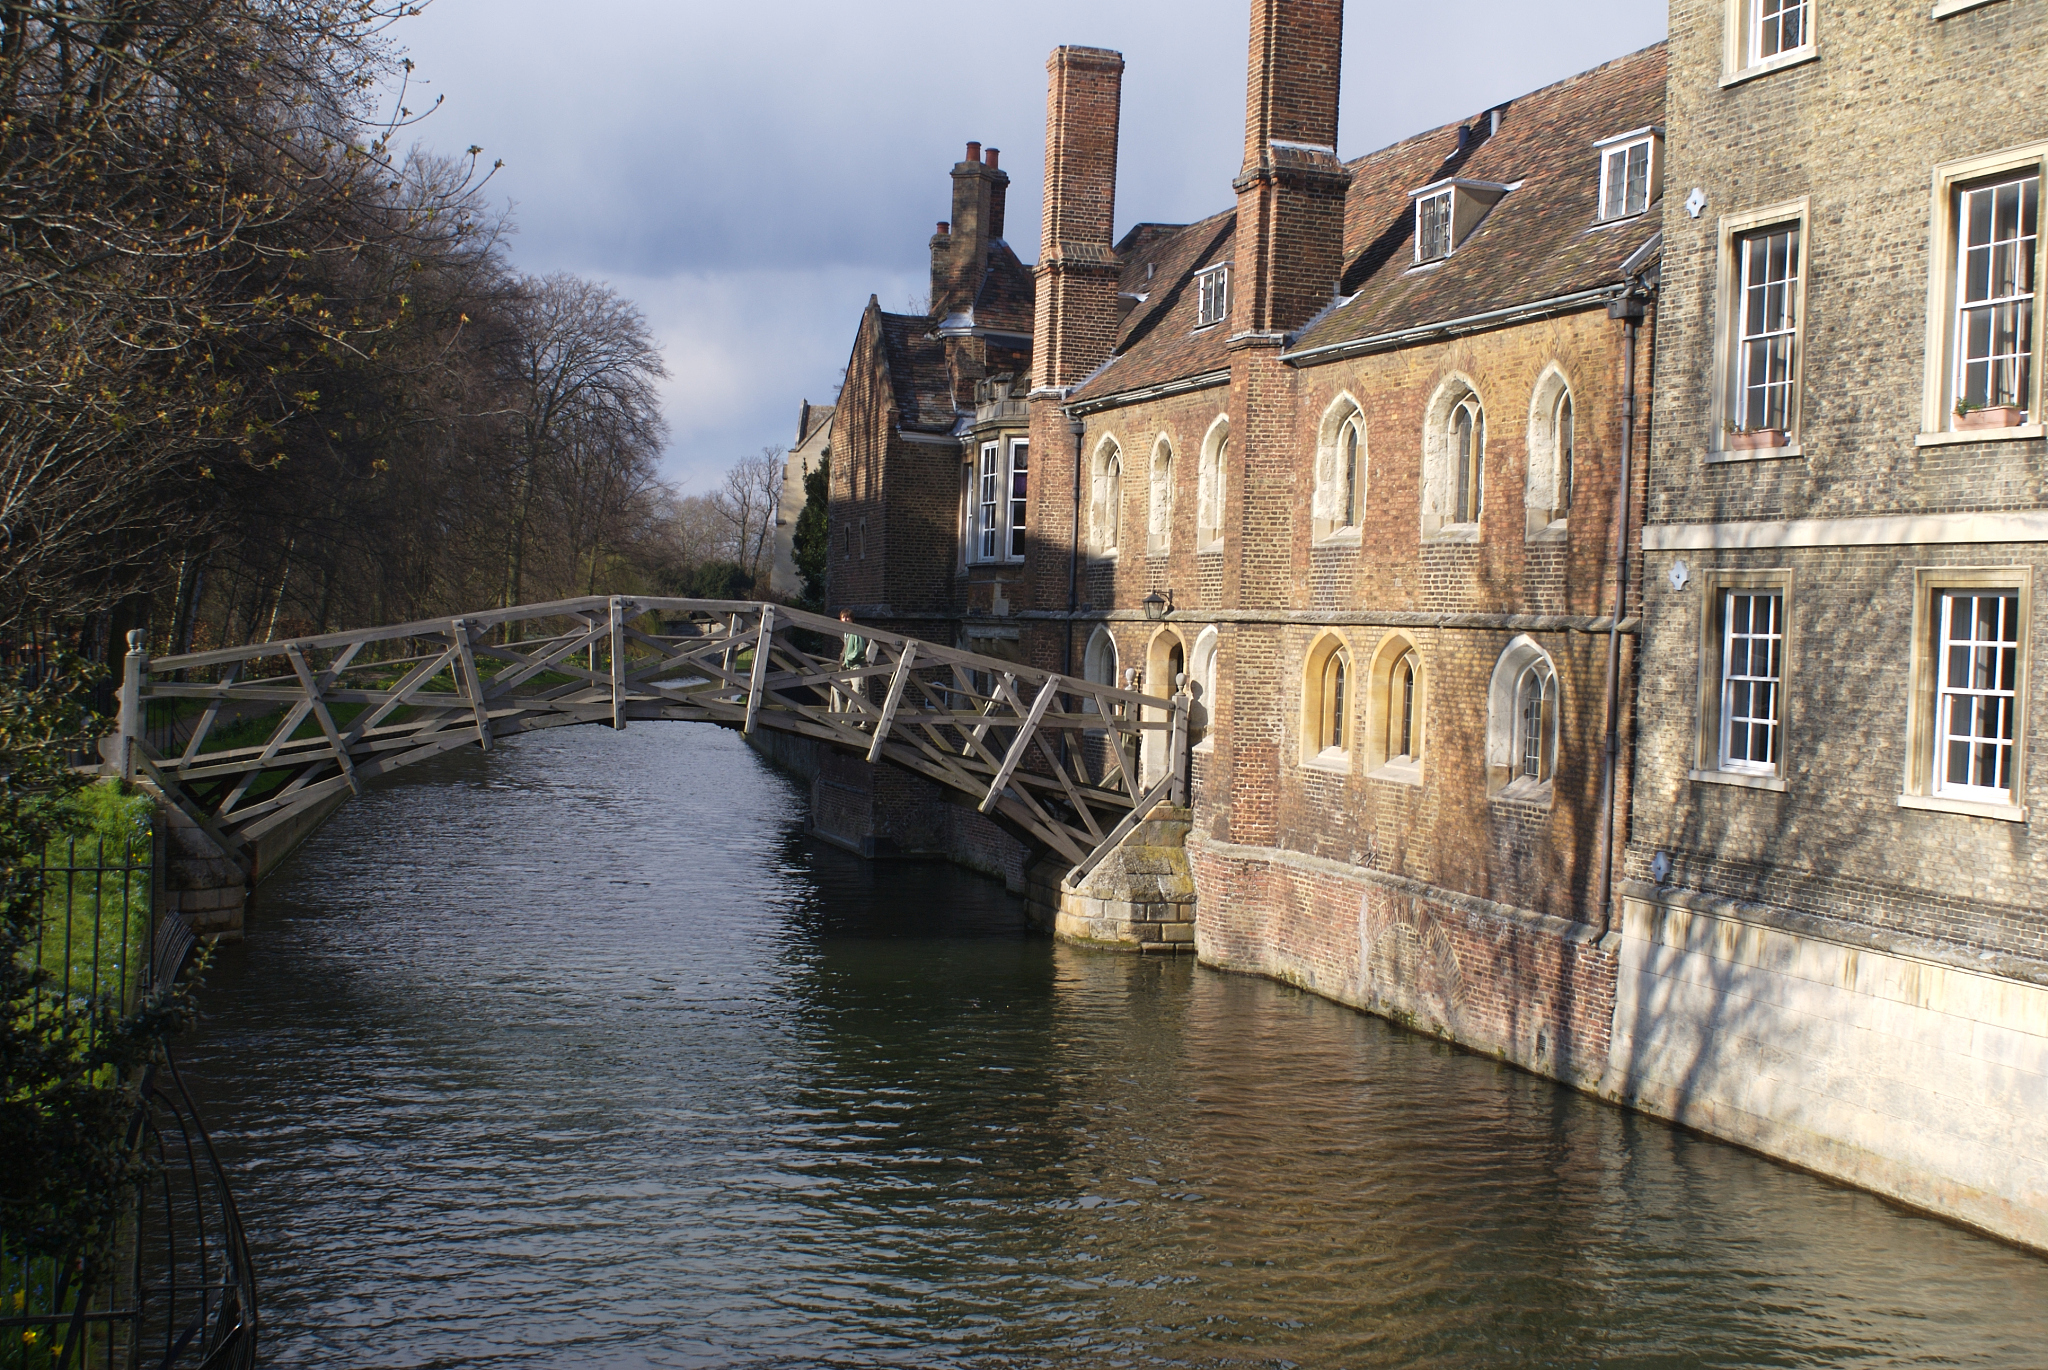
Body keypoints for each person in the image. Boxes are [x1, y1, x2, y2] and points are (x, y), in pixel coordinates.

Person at [835, 609, 867, 714]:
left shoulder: (855, 632)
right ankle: (836, 715)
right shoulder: (846, 634)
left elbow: (859, 650)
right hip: (849, 668)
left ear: (851, 619)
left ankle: (867, 720)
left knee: (859, 693)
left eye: (847, 617)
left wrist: (847, 659)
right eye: (843, 617)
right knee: (836, 686)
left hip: (857, 667)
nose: (845, 619)